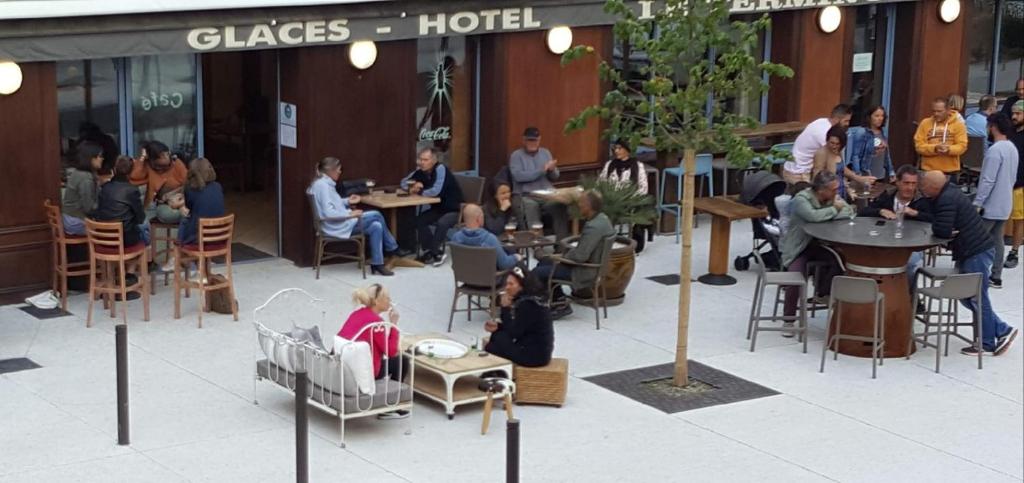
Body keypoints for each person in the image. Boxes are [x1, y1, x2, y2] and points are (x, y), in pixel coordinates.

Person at [919, 170, 1017, 355]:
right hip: (971, 251)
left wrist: (941, 228)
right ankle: (1001, 329)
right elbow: (944, 227)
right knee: (966, 296)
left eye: (924, 186)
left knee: (977, 297)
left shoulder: (946, 199)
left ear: (933, 187)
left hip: (975, 252)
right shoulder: (949, 193)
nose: (922, 189)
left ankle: (988, 343)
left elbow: (942, 229)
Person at [779, 171, 854, 336]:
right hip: (799, 247)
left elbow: (848, 212)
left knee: (841, 261)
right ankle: (789, 320)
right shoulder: (801, 200)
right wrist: (834, 209)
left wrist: (831, 211)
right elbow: (812, 216)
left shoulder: (831, 198)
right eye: (834, 190)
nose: (837, 193)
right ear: (821, 190)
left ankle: (823, 292)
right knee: (795, 278)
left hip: (821, 244)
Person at [308, 157, 399, 276]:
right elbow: (329, 212)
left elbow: (333, 204)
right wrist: (349, 214)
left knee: (376, 226)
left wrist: (347, 201)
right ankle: (393, 247)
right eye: (339, 169)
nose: (340, 172)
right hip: (335, 226)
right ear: (331, 170)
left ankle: (378, 264)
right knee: (376, 214)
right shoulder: (323, 186)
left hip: (336, 223)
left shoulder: (323, 183)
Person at [532, 190, 615, 319]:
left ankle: (556, 305)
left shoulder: (593, 227)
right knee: (545, 262)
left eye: (581, 202)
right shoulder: (603, 219)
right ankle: (559, 301)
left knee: (537, 272)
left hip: (584, 271)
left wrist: (561, 257)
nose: (579, 205)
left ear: (589, 206)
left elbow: (580, 256)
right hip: (592, 266)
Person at [338, 284, 408, 419]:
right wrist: (393, 325)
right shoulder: (376, 324)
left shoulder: (357, 313)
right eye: (387, 298)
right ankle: (390, 406)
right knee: (401, 361)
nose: (390, 301)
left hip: (346, 365)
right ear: (377, 301)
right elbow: (391, 351)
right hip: (364, 372)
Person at [859, 165, 933, 286]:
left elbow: (933, 220)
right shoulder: (887, 196)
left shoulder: (923, 201)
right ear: (897, 182)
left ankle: (909, 297)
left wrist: (915, 213)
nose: (910, 187)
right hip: (885, 243)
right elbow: (863, 213)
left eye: (913, 184)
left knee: (911, 263)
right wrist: (880, 211)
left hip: (912, 245)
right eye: (906, 183)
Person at [973, 113, 1019, 288]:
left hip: (990, 204)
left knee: (977, 239)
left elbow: (988, 179)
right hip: (1005, 202)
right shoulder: (1012, 148)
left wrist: (978, 202)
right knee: (997, 239)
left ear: (992, 127)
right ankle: (996, 275)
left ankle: (974, 274)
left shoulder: (994, 151)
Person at [400, 147, 463, 266]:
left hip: (453, 209)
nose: (422, 163)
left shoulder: (440, 169)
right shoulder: (421, 172)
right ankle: (433, 251)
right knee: (419, 220)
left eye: (425, 160)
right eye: (421, 159)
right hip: (438, 209)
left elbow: (436, 191)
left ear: (433, 161)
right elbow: (403, 182)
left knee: (442, 223)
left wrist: (419, 191)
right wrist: (412, 187)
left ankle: (433, 252)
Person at [484, 266, 554, 368]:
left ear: (522, 286)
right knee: (497, 337)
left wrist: (505, 308)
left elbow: (514, 333)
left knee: (493, 345)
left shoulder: (528, 305)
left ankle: (499, 377)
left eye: (511, 284)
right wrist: (498, 327)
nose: (507, 287)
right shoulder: (532, 299)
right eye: (507, 284)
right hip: (534, 349)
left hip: (534, 356)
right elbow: (519, 328)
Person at [508, 127, 570, 240]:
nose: (532, 143)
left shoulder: (545, 153)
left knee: (559, 205)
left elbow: (555, 177)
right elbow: (519, 176)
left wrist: (551, 170)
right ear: (524, 140)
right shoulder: (516, 156)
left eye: (535, 140)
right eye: (529, 140)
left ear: (539, 140)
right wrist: (542, 170)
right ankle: (537, 247)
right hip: (527, 195)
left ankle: (562, 245)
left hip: (547, 194)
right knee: (530, 207)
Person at [598, 140, 651, 252]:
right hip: (612, 201)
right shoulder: (610, 165)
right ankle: (606, 240)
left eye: (620, 148)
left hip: (630, 201)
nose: (616, 151)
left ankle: (635, 243)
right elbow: (600, 183)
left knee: (639, 209)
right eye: (615, 148)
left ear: (627, 150)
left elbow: (643, 187)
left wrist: (631, 199)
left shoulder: (637, 166)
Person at [783, 104, 853, 184]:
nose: (847, 124)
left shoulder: (821, 121)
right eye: (846, 121)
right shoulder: (826, 133)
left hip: (793, 168)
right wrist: (855, 178)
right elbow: (834, 163)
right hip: (799, 173)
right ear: (837, 119)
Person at [92, 156, 147, 247]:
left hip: (102, 237)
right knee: (145, 225)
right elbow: (140, 218)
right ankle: (145, 258)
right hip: (124, 239)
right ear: (131, 172)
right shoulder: (132, 190)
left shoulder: (105, 187)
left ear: (114, 170)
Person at [129, 140, 188, 223]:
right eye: (162, 155)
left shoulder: (176, 163)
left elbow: (189, 183)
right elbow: (134, 177)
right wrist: (143, 157)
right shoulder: (148, 166)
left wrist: (173, 195)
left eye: (167, 153)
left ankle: (186, 215)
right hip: (164, 206)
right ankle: (185, 215)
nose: (167, 156)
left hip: (182, 200)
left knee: (191, 211)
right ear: (153, 159)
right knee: (166, 215)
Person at [449, 204, 522, 271]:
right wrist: (516, 257)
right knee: (518, 263)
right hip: (490, 281)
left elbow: (455, 265)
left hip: (466, 279)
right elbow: (504, 264)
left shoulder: (456, 237)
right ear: (478, 219)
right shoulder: (489, 239)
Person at [811, 126, 874, 199]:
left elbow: (843, 169)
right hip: (830, 194)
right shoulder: (822, 153)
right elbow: (817, 177)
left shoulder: (838, 151)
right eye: (832, 143)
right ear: (827, 140)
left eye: (837, 144)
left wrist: (859, 179)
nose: (834, 146)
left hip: (841, 190)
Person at [176, 158, 225, 247]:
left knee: (185, 218)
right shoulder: (218, 186)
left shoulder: (191, 190)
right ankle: (207, 260)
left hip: (199, 238)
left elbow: (188, 209)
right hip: (219, 236)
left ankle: (179, 248)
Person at [914, 97, 968, 174]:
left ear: (948, 110)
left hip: (950, 170)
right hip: (928, 170)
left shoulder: (958, 125)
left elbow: (962, 146)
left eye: (939, 111)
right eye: (934, 111)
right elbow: (919, 146)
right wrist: (935, 148)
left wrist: (948, 149)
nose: (936, 114)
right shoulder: (925, 123)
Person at [61, 141, 103, 235]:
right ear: (91, 159)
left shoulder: (77, 172)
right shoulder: (86, 178)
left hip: (69, 218)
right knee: (112, 230)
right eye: (100, 156)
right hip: (76, 223)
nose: (102, 159)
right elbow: (89, 208)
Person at [847, 106, 895, 181]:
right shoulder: (862, 132)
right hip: (866, 173)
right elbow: (855, 155)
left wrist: (891, 171)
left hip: (880, 174)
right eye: (877, 116)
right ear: (869, 117)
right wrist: (858, 174)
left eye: (882, 116)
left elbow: (886, 154)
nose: (880, 118)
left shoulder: (882, 132)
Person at [1005, 101, 1024, 269]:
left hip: (1020, 184)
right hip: (1006, 182)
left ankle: (1014, 251)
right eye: (1013, 113)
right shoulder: (1009, 132)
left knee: (1019, 219)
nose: (1014, 116)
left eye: (1018, 113)